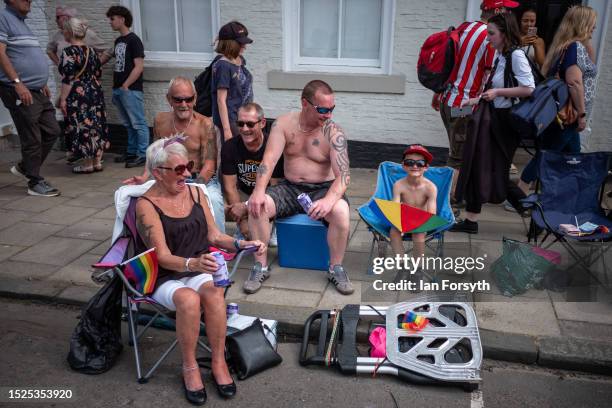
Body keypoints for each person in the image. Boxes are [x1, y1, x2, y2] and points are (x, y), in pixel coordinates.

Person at [135, 137, 265, 405]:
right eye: (179, 169)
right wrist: (192, 264)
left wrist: (241, 243)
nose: (187, 174)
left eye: (188, 166)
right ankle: (190, 366)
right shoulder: (146, 205)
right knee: (188, 299)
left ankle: (218, 362)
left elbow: (215, 236)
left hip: (197, 267)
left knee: (215, 293)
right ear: (158, 173)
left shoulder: (196, 193)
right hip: (165, 274)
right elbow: (162, 256)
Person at [246, 80, 353, 295]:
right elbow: (269, 160)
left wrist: (329, 200)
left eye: (332, 109)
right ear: (305, 103)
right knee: (257, 205)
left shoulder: (334, 133)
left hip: (323, 188)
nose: (328, 115)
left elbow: (343, 177)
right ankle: (260, 266)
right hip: (290, 187)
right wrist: (257, 192)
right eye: (323, 109)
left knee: (341, 211)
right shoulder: (283, 124)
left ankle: (336, 268)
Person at [452, 12, 535, 234]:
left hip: (504, 124)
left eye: (491, 34)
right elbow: (496, 88)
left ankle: (535, 211)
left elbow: (528, 88)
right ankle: (471, 221)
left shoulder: (516, 56)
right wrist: (478, 98)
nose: (487, 38)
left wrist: (496, 91)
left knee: (495, 171)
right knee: (478, 165)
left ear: (505, 34)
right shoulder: (501, 54)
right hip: (493, 119)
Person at [433, 0, 517, 206]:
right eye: (506, 9)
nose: (508, 13)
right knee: (458, 156)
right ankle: (449, 200)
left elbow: (449, 63)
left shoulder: (464, 28)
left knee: (459, 151)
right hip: (465, 105)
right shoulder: (490, 36)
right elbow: (489, 74)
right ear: (497, 10)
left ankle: (462, 194)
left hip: (448, 100)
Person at [123, 76, 226, 233]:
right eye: (178, 100)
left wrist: (194, 187)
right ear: (169, 99)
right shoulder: (160, 120)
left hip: (199, 178)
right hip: (168, 178)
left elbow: (210, 164)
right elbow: (155, 156)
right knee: (133, 199)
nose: (184, 105)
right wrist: (144, 176)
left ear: (195, 98)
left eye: (188, 99)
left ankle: (219, 244)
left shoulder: (204, 124)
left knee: (213, 199)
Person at [517, 5, 598, 195]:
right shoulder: (575, 47)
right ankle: (520, 193)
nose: (594, 27)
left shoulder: (569, 46)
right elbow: (574, 82)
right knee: (547, 155)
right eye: (592, 23)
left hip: (566, 115)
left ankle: (567, 195)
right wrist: (582, 113)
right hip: (569, 115)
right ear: (584, 24)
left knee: (572, 155)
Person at [0, 0, 61, 197]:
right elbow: (0, 53)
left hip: (36, 89)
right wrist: (17, 82)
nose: (30, 0)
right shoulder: (3, 18)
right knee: (32, 138)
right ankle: (34, 182)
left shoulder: (23, 23)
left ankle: (26, 166)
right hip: (18, 90)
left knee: (52, 130)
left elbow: (27, 56)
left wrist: (41, 81)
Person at [221, 102, 284, 240]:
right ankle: (244, 227)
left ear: (262, 123)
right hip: (243, 193)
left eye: (250, 124)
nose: (244, 129)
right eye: (240, 124)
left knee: (264, 238)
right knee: (221, 204)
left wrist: (248, 208)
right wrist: (242, 222)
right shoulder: (229, 147)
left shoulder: (273, 145)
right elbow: (230, 187)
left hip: (267, 195)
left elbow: (275, 187)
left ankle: (271, 226)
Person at [58, 17, 109, 174]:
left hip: (78, 95)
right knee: (96, 124)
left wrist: (63, 99)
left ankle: (87, 164)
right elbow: (97, 72)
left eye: (64, 30)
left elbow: (68, 79)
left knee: (82, 126)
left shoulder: (68, 52)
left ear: (69, 32)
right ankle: (97, 162)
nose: (63, 32)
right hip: (94, 91)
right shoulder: (92, 51)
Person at [100, 5, 148, 168]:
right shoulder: (119, 40)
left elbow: (139, 66)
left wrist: (126, 85)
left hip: (130, 90)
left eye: (112, 19)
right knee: (128, 124)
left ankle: (142, 155)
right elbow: (106, 56)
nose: (110, 22)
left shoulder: (134, 40)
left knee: (138, 123)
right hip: (118, 89)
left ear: (122, 19)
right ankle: (131, 152)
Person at [389, 145, 437, 283]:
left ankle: (417, 270)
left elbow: (432, 212)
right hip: (404, 217)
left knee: (419, 234)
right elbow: (395, 207)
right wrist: (400, 223)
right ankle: (403, 267)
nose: (414, 166)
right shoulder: (399, 185)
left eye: (420, 163)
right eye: (409, 162)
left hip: (423, 219)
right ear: (403, 166)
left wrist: (421, 225)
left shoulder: (430, 187)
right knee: (394, 231)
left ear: (426, 167)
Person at [211, 21, 253, 142]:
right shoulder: (223, 66)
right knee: (232, 157)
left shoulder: (238, 61)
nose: (244, 46)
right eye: (240, 43)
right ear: (231, 44)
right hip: (231, 122)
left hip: (241, 119)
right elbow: (221, 100)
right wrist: (227, 130)